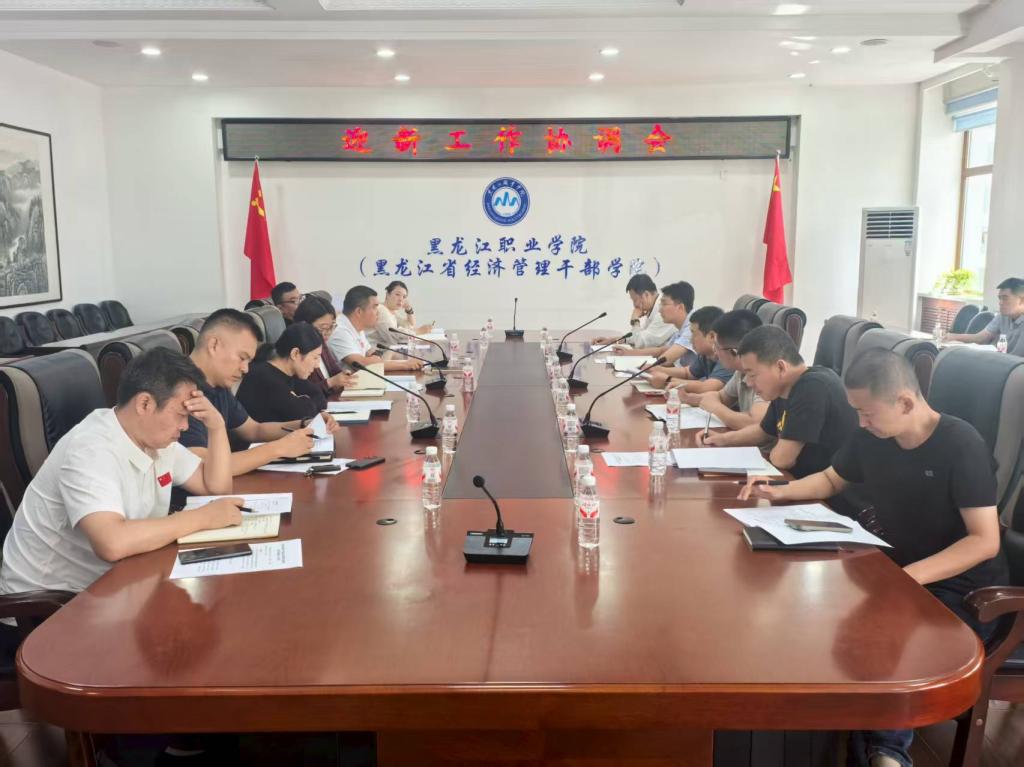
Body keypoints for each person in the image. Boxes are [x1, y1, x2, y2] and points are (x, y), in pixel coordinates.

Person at [739, 348, 1007, 767]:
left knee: (887, 638)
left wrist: (907, 579)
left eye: (867, 413)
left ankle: (887, 752)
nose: (861, 423)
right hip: (895, 570)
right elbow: (831, 479)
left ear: (905, 402)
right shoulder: (872, 436)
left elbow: (983, 541)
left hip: (962, 588)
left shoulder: (961, 444)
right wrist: (777, 490)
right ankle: (829, 729)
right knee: (816, 613)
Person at [0, 348, 240, 607]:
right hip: (47, 605)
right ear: (145, 404)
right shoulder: (91, 447)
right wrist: (203, 518)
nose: (185, 426)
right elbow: (112, 542)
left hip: (114, 583)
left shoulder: (158, 440)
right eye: (181, 415)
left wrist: (216, 427)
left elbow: (215, 486)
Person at [181, 308, 339, 476]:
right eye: (242, 358)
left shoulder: (218, 385)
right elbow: (205, 466)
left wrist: (304, 424)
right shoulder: (182, 392)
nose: (245, 369)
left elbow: (254, 429)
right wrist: (279, 448)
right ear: (214, 345)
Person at [697, 325, 858, 478]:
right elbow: (763, 432)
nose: (749, 383)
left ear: (780, 367)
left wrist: (775, 452)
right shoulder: (783, 388)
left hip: (825, 493)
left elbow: (782, 459)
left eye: (752, 375)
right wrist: (722, 439)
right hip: (797, 482)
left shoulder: (813, 387)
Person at [681, 309, 768, 431]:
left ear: (734, 351)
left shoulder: (765, 374)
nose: (714, 351)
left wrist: (715, 407)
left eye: (717, 346)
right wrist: (687, 398)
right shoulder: (740, 371)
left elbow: (755, 423)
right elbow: (721, 397)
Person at [237, 323, 330, 423]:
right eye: (315, 357)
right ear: (295, 354)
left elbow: (320, 399)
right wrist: (305, 400)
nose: (317, 365)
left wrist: (301, 400)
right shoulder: (265, 378)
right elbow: (305, 415)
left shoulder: (291, 374)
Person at [328, 285, 425, 373]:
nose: (378, 312)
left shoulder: (357, 328)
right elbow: (363, 364)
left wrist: (373, 360)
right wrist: (406, 365)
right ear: (359, 312)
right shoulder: (340, 331)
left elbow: (371, 353)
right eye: (374, 308)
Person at [612, 280, 697, 368]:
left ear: (680, 307)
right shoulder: (682, 327)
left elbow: (665, 359)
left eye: (664, 304)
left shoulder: (692, 326)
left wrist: (644, 367)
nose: (659, 310)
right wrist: (628, 353)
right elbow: (661, 350)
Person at [647, 306, 733, 392]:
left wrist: (668, 380)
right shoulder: (705, 354)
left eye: (693, 334)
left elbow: (707, 387)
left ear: (711, 336)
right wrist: (657, 369)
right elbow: (688, 373)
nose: (690, 340)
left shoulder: (727, 355)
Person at [293, 294, 357, 395]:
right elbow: (301, 392)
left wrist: (344, 375)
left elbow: (334, 369)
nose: (328, 333)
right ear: (304, 325)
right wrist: (330, 382)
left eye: (331, 327)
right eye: (323, 328)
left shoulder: (321, 342)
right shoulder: (297, 351)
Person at [592, 274, 675, 349]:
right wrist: (611, 340)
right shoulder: (655, 308)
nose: (634, 305)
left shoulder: (664, 311)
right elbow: (639, 336)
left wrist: (635, 320)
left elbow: (641, 343)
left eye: (635, 300)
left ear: (646, 295)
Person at [946, 276, 1024, 348]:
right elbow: (980, 338)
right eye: (1000, 298)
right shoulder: (1002, 316)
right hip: (1001, 358)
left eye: (1005, 298)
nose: (1000, 302)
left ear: (1021, 300)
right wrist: (950, 337)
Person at [368, 280, 434, 347]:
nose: (401, 299)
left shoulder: (392, 311)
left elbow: (409, 326)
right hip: (374, 351)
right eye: (397, 294)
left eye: (404, 297)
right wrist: (418, 331)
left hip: (385, 350)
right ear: (387, 294)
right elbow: (392, 335)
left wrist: (409, 310)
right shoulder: (380, 309)